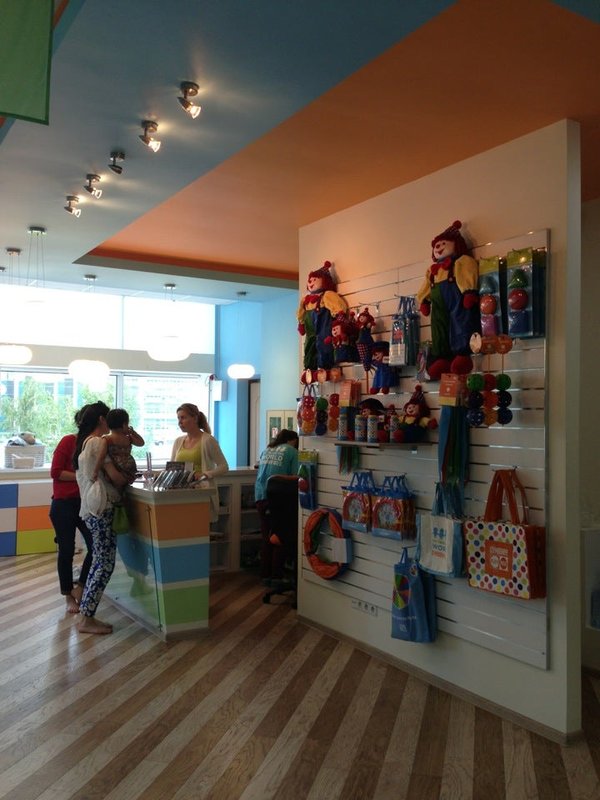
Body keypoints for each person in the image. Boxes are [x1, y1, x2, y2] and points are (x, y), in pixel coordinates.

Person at [73, 401, 128, 635]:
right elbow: (115, 477)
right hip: (102, 507)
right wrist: (128, 477)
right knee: (104, 564)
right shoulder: (97, 442)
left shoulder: (85, 442)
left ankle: (86, 614)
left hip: (90, 508)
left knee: (99, 561)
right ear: (101, 420)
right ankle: (86, 618)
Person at [49, 405, 94, 614]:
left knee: (95, 547)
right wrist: (81, 476)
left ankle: (81, 587)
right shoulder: (69, 441)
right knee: (66, 550)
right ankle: (68, 595)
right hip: (64, 504)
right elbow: (56, 472)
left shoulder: (94, 444)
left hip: (85, 504)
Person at [170, 403, 229, 522]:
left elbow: (224, 466)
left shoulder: (208, 440)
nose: (180, 422)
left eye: (183, 418)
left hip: (200, 493)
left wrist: (205, 474)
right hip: (181, 493)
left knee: (199, 527)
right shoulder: (178, 441)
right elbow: (171, 468)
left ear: (195, 418)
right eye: (178, 418)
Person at [254, 429, 299, 583]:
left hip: (261, 496)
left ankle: (265, 574)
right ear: (292, 440)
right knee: (281, 536)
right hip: (280, 500)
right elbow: (296, 476)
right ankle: (277, 576)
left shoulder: (267, 450)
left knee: (267, 536)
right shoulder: (292, 451)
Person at [92, 408, 144, 486]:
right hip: (130, 468)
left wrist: (95, 471)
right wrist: (133, 432)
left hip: (116, 468)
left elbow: (101, 456)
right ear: (124, 425)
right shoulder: (128, 438)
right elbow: (141, 443)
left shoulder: (107, 439)